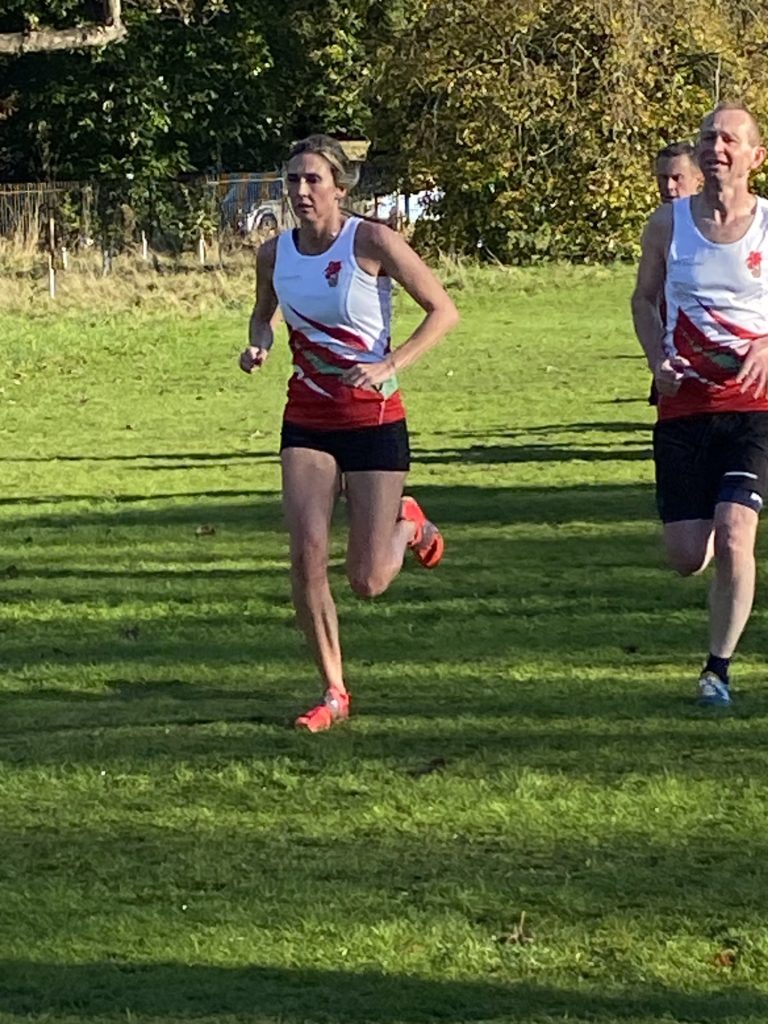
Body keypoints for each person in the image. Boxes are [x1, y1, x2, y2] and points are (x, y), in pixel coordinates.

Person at [239, 134, 459, 732]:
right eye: (292, 180)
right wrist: (259, 344)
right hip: (307, 418)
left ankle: (408, 523)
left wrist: (391, 364)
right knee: (306, 555)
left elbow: (443, 310)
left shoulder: (372, 241)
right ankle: (334, 691)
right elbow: (263, 314)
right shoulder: (274, 253)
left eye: (313, 179)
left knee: (367, 580)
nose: (301, 190)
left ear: (340, 186)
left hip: (373, 419)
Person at [632, 102, 768, 706]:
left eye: (731, 139)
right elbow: (644, 299)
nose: (718, 147)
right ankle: (712, 522)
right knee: (688, 557)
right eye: (710, 137)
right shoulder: (667, 224)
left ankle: (718, 669)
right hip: (684, 404)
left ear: (755, 157)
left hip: (754, 407)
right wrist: (655, 360)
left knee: (737, 533)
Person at [647, 142, 704, 405]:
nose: (669, 187)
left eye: (676, 178)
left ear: (698, 178)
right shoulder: (659, 225)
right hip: (672, 351)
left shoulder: (714, 228)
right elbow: (645, 298)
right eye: (662, 178)